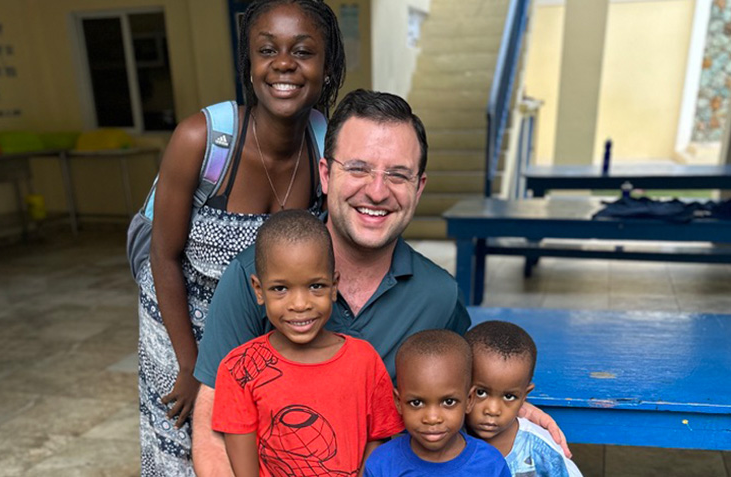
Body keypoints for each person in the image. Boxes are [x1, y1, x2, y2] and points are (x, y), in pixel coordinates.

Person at [191, 89, 570, 475]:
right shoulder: (255, 275)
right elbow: (214, 422)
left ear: (419, 188)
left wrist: (508, 406)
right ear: (325, 174)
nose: (376, 190)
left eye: (398, 175)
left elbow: (466, 382)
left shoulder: (438, 295)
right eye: (358, 168)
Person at [135, 1, 345, 474]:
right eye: (267, 49)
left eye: (303, 51)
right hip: (180, 319)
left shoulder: (324, 143)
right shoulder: (201, 140)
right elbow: (163, 259)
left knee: (260, 446)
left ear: (327, 66)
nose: (284, 64)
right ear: (248, 65)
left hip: (264, 321)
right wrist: (190, 368)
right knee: (183, 444)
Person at [213, 209, 404, 476]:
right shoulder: (240, 369)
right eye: (281, 288)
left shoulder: (364, 361)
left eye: (316, 286)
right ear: (258, 290)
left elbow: (378, 440)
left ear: (334, 285)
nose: (300, 304)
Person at [364, 329, 510, 476]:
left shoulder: (490, 465)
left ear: (469, 400)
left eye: (448, 401)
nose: (432, 418)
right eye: (416, 403)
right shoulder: (382, 464)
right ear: (398, 402)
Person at [465, 321, 582, 477]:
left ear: (524, 396)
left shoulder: (540, 449)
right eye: (481, 392)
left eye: (509, 396)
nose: (492, 410)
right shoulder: (446, 437)